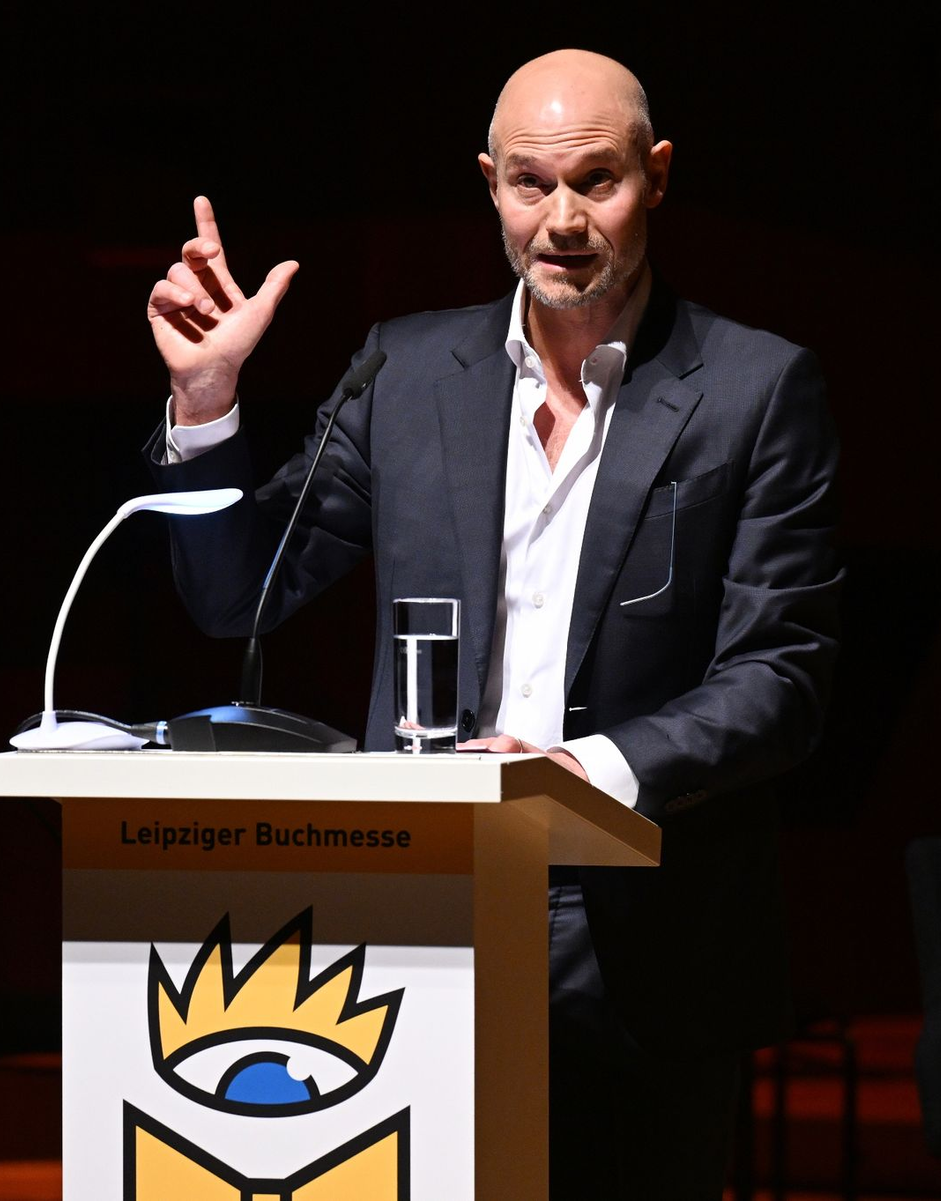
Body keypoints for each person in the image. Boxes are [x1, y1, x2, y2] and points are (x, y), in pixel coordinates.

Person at [143, 49, 841, 1201]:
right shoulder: (402, 369)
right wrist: (208, 408)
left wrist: (573, 772)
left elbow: (783, 677)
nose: (561, 220)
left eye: (597, 181)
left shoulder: (755, 388)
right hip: (420, 908)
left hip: (645, 936)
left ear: (655, 176)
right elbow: (238, 596)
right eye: (530, 184)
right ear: (489, 184)